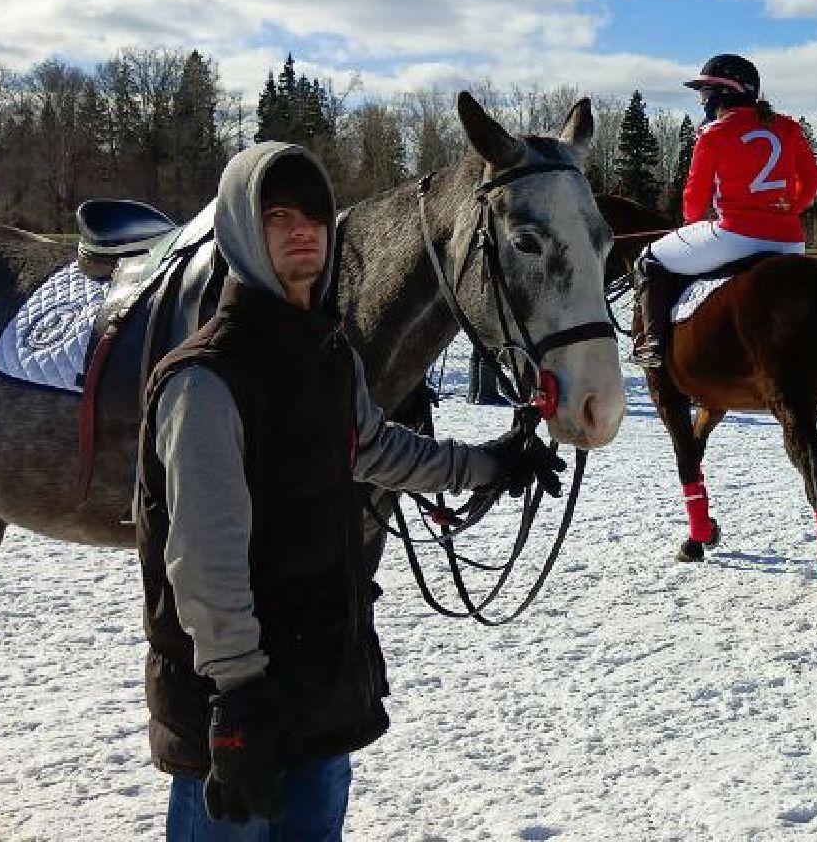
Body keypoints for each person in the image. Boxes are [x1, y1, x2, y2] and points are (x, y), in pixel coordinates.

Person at [135, 143, 558, 840]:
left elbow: (375, 448)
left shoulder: (331, 356)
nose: (303, 230)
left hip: (322, 681)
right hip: (239, 700)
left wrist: (491, 466)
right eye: (278, 215)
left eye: (315, 215)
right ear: (244, 230)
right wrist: (238, 696)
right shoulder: (206, 380)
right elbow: (203, 560)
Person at [629, 53, 817, 368]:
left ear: (724, 93)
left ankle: (652, 344)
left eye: (705, 93)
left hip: (735, 236)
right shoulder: (788, 127)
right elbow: (813, 180)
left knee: (649, 259)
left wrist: (692, 225)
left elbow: (694, 197)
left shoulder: (713, 133)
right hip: (790, 242)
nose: (703, 101)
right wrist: (788, 210)